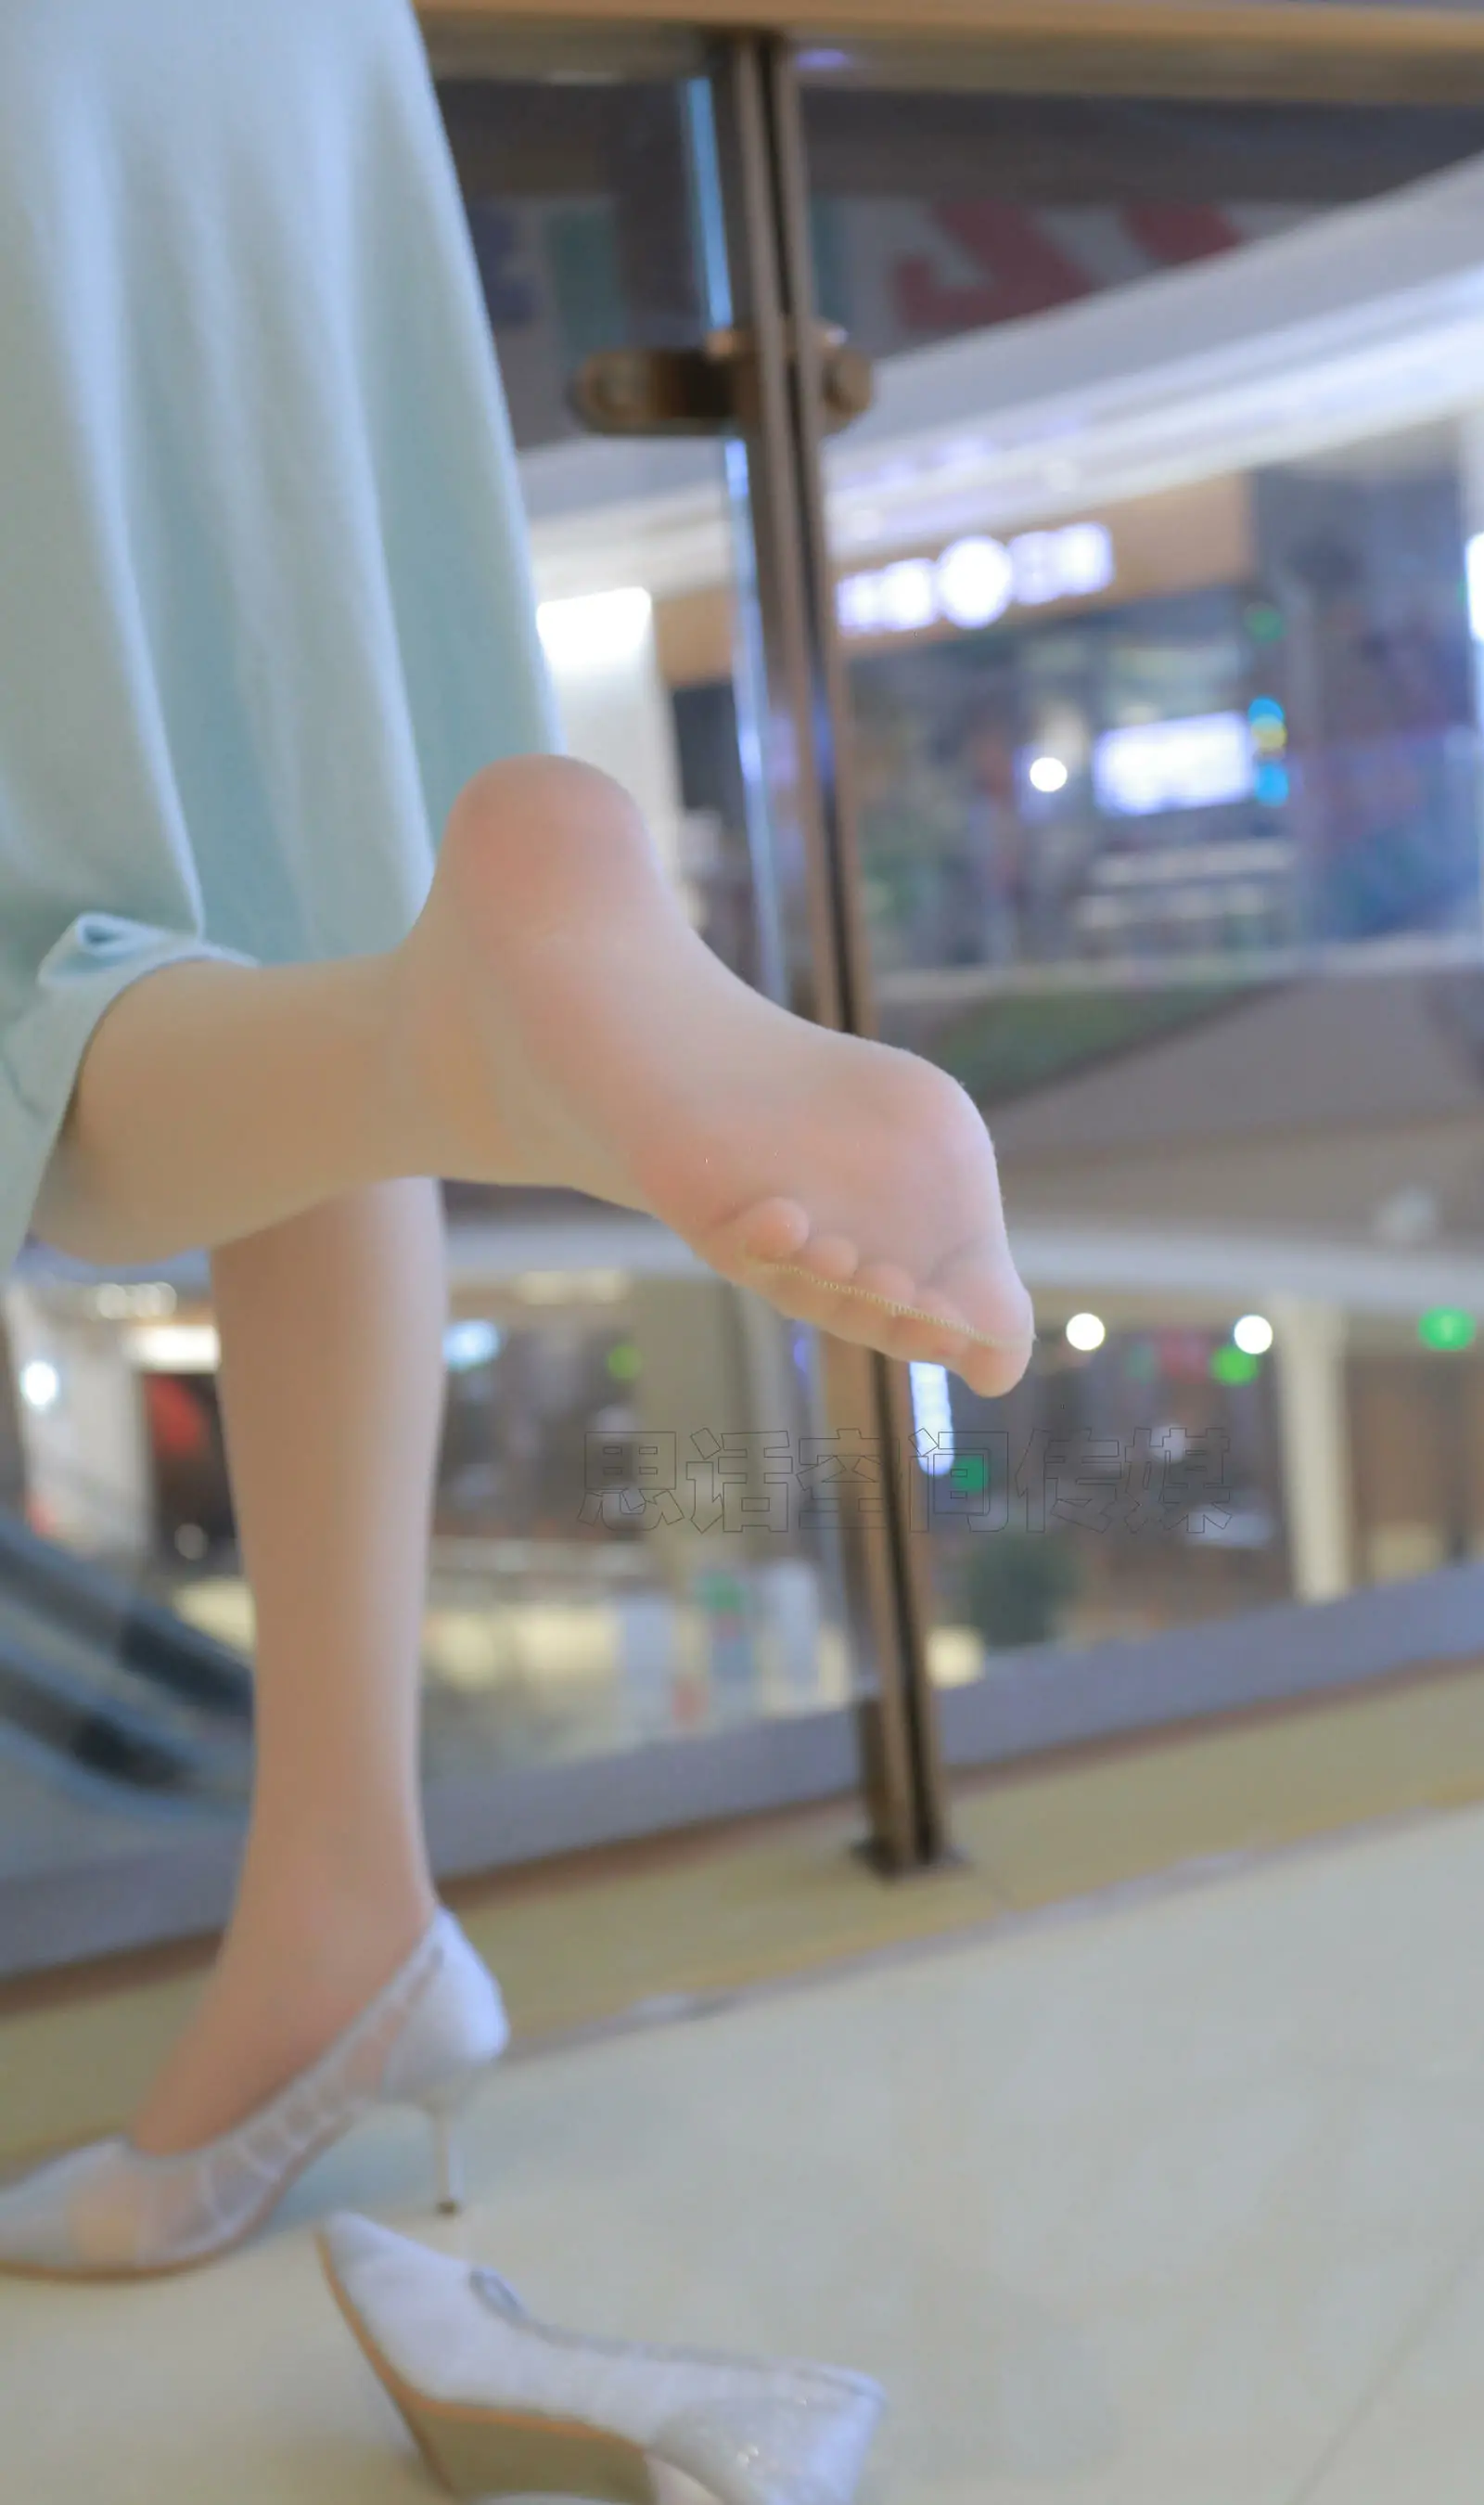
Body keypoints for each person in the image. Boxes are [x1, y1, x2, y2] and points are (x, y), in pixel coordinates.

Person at [0, 0, 1030, 2277]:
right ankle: (344, 1904)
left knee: (48, 1004)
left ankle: (450, 1041)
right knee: (295, 896)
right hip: (267, 72)